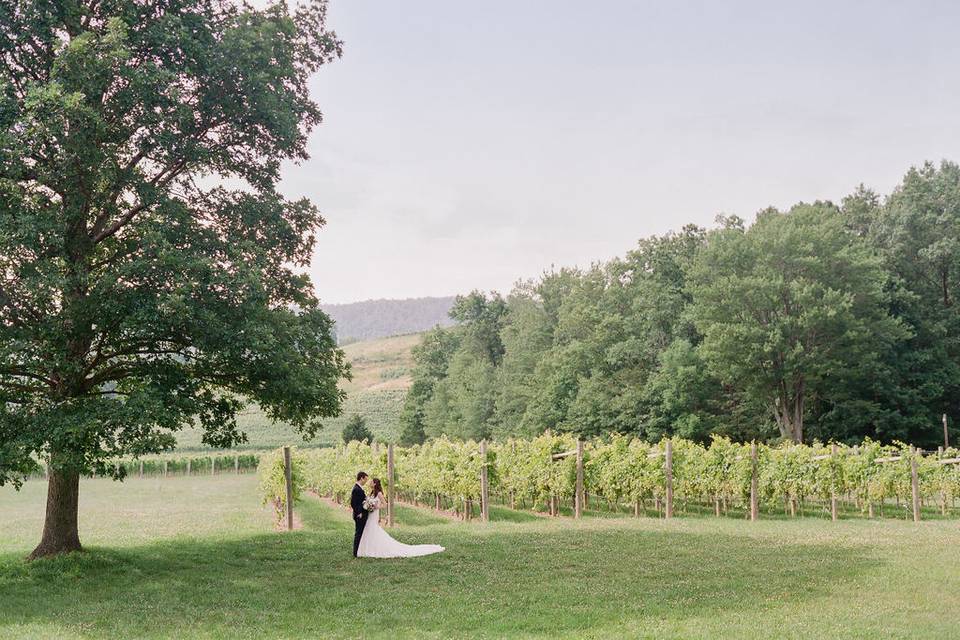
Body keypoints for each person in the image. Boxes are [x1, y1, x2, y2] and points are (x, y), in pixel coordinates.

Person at [356, 477, 444, 558]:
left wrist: (375, 507)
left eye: (371, 482)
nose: (369, 483)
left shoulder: (379, 493)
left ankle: (375, 548)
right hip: (371, 514)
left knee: (373, 528)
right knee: (369, 529)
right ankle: (368, 548)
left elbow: (385, 504)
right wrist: (368, 505)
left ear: (375, 483)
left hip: (374, 514)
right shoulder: (372, 493)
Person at [351, 471, 370, 558]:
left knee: (361, 532)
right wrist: (359, 513)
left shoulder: (359, 488)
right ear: (361, 478)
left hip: (361, 514)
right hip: (359, 515)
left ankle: (359, 550)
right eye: (365, 479)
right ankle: (356, 552)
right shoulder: (356, 489)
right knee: (358, 533)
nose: (366, 481)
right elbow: (353, 503)